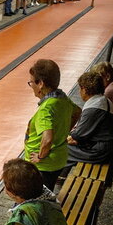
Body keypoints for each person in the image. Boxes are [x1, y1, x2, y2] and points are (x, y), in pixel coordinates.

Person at [24, 59, 80, 190]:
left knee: (35, 196)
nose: (31, 85)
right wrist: (64, 131)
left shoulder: (46, 109)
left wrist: (40, 156)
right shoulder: (62, 98)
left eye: (31, 82)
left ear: (41, 84)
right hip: (59, 158)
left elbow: (48, 139)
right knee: (48, 189)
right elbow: (77, 112)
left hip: (43, 165)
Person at [67, 72, 113, 164]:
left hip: (99, 152)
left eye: (80, 88)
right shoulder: (103, 100)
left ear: (85, 90)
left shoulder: (94, 109)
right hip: (105, 146)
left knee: (59, 149)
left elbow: (77, 135)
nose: (79, 92)